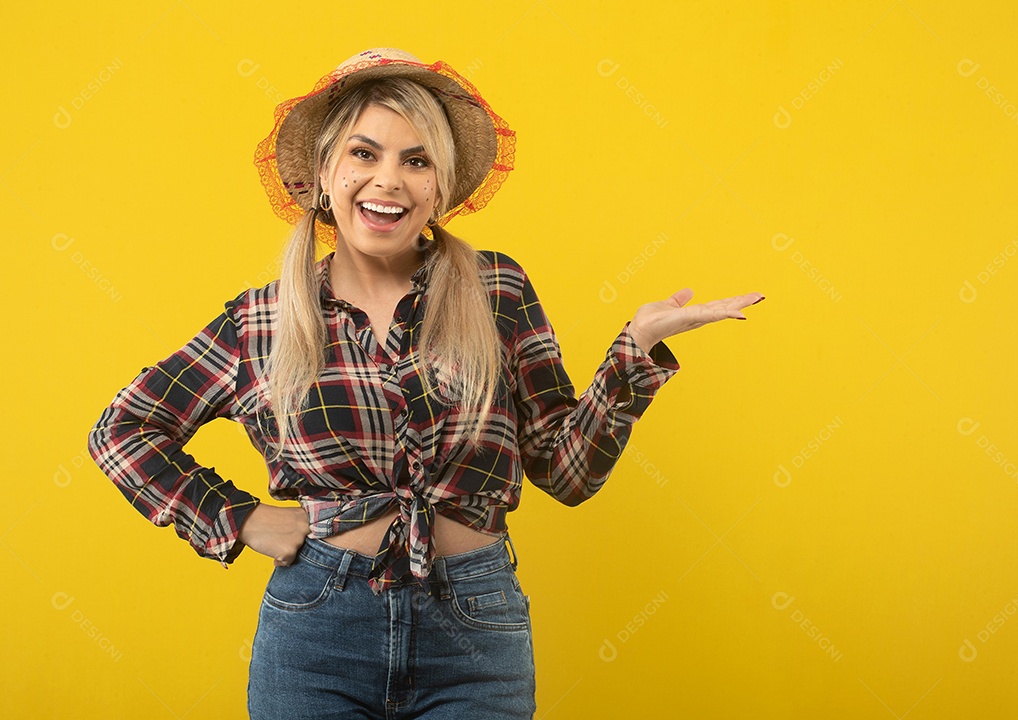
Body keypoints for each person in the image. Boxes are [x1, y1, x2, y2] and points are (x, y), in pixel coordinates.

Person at [87, 47, 765, 720]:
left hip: (476, 629)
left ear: (441, 189)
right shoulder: (261, 320)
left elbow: (567, 472)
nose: (389, 181)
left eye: (417, 161)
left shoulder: (496, 289)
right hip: (315, 634)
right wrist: (237, 520)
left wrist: (636, 353)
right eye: (364, 154)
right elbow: (122, 430)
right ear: (324, 174)